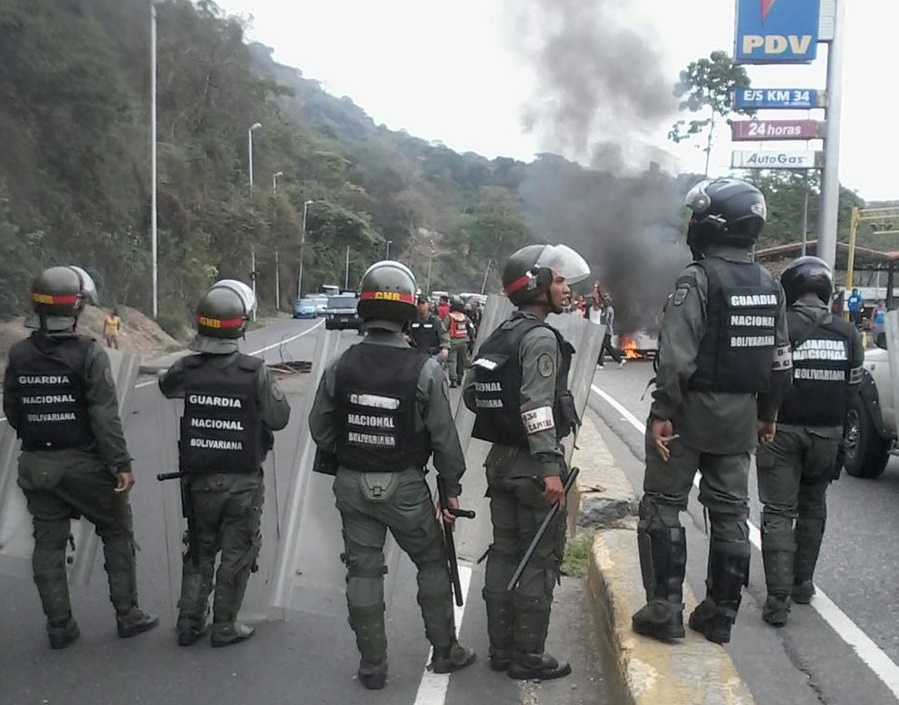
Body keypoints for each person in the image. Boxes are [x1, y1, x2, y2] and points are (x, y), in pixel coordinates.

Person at [630, 178, 792, 645]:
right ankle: (720, 614)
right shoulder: (770, 285)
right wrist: (769, 414)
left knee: (662, 506)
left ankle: (666, 609)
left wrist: (662, 411)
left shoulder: (697, 278)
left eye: (697, 215)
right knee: (731, 513)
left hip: (688, 415)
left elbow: (677, 358)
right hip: (743, 417)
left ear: (713, 222)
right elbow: (781, 360)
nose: (692, 223)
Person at [309, 260, 476, 690]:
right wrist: (452, 490)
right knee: (432, 562)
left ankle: (372, 667)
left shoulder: (340, 365)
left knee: (363, 572)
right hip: (406, 489)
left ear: (365, 308)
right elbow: (445, 441)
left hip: (352, 485)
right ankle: (445, 651)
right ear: (409, 311)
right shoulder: (426, 369)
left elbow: (320, 428)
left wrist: (351, 452)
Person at [3, 265, 158, 649]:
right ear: (75, 308)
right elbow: (104, 417)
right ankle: (128, 614)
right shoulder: (89, 353)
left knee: (49, 543)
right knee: (117, 530)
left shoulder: (19, 354)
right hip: (84, 466)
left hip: (37, 465)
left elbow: (13, 409)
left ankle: (59, 626)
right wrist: (120, 464)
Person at [464, 243, 590, 680]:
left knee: (503, 555)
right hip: (534, 469)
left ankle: (500, 649)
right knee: (538, 560)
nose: (565, 288)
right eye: (558, 280)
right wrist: (551, 469)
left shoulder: (501, 334)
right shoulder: (539, 338)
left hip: (499, 463)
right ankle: (528, 657)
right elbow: (537, 408)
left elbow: (470, 394)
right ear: (537, 286)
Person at [158, 279, 290, 647]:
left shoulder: (187, 368)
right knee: (238, 551)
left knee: (200, 548)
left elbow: (167, 387)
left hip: (199, 480)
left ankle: (188, 623)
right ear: (241, 325)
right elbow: (279, 417)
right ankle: (225, 625)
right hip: (242, 483)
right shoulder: (254, 372)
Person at [756, 256, 863, 627]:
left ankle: (778, 600)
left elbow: (765, 380)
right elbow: (853, 395)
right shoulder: (848, 334)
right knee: (814, 506)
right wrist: (841, 448)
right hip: (828, 435)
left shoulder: (779, 325)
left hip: (780, 432)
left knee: (779, 512)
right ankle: (803, 583)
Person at [408, 295, 450, 362]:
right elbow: (404, 333)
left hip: (432, 355)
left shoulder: (435, 320)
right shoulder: (411, 320)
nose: (421, 306)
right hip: (415, 354)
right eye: (419, 304)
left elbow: (444, 335)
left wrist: (445, 348)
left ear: (428, 304)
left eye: (423, 303)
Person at [443, 298, 474, 388]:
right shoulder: (465, 317)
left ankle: (453, 380)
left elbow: (443, 329)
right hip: (464, 341)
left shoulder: (449, 317)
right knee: (462, 361)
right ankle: (460, 378)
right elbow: (471, 329)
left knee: (452, 361)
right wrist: (471, 339)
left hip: (452, 341)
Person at [597, 295, 626, 368]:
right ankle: (601, 362)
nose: (604, 302)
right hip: (603, 330)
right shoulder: (604, 309)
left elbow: (606, 320)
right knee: (603, 346)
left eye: (605, 301)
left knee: (606, 346)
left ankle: (618, 360)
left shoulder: (609, 309)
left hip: (607, 331)